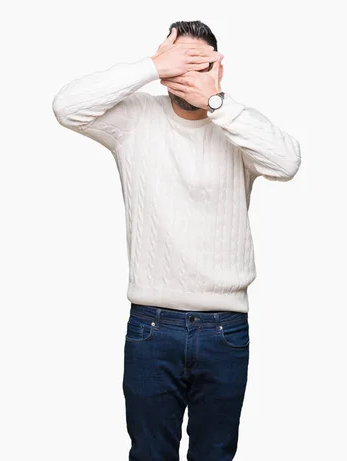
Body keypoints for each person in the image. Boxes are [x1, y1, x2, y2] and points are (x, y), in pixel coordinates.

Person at [52, 20, 301, 461]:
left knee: (216, 454)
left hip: (224, 329)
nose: (185, 74)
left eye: (198, 64)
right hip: (152, 326)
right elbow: (66, 107)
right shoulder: (134, 119)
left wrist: (216, 102)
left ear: (218, 67)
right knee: (149, 454)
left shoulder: (235, 124)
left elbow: (286, 163)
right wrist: (149, 67)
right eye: (176, 64)